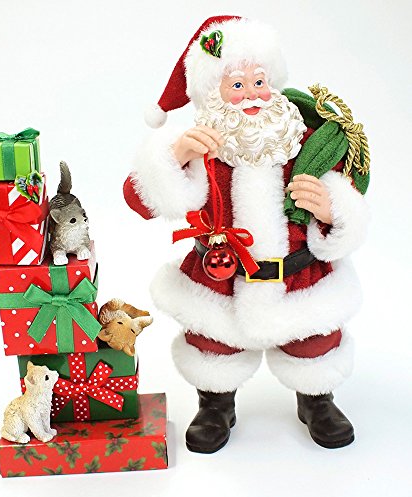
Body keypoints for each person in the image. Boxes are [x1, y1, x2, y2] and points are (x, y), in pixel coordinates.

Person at [123, 16, 369, 453]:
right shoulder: (200, 147)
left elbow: (345, 191)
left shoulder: (302, 139)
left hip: (299, 276)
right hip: (221, 276)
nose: (252, 94)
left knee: (315, 342)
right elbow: (138, 200)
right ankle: (215, 404)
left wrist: (334, 210)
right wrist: (174, 156)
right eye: (236, 85)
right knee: (213, 345)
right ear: (211, 94)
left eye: (259, 81)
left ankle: (317, 399)